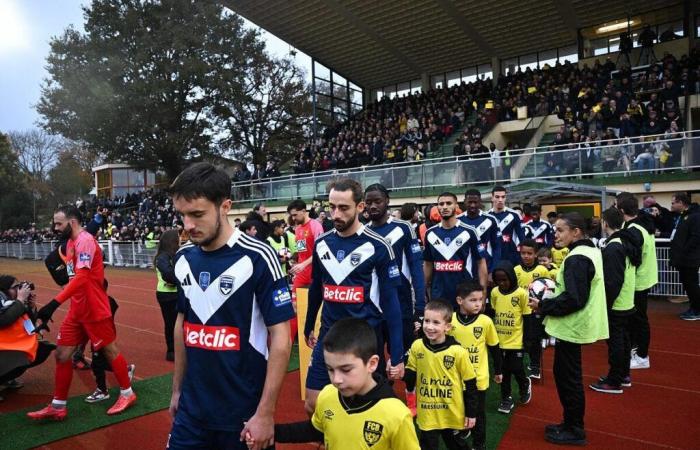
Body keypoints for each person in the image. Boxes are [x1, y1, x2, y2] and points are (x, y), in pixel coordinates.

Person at [168, 162, 294, 450]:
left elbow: (282, 339)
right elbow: (182, 325)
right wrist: (177, 390)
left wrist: (265, 412)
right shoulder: (184, 257)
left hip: (242, 417)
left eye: (197, 214)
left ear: (225, 206)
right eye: (183, 215)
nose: (188, 225)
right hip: (192, 413)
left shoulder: (259, 256)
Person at [304, 178, 404, 417]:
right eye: (332, 207)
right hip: (329, 335)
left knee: (365, 410)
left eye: (343, 208)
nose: (335, 214)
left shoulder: (379, 246)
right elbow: (317, 288)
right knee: (313, 404)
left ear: (360, 207)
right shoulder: (321, 243)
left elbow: (391, 303)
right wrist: (309, 326)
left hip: (364, 339)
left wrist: (397, 354)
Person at [29, 205, 136, 420]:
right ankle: (58, 406)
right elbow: (72, 279)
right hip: (77, 310)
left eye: (59, 223)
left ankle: (127, 393)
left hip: (95, 309)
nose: (55, 227)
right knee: (62, 354)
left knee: (109, 351)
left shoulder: (85, 241)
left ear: (72, 222)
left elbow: (82, 279)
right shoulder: (69, 243)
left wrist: (53, 304)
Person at [268, 318, 419, 449]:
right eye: (330, 369)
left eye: (346, 370)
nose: (336, 380)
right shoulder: (327, 394)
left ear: (372, 364)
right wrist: (273, 432)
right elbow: (317, 429)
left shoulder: (397, 414)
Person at [528, 212, 608, 446]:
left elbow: (574, 298)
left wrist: (543, 304)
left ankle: (575, 429)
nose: (556, 234)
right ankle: (570, 423)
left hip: (573, 326)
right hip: (577, 324)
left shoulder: (577, 258)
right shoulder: (590, 251)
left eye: (561, 230)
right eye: (555, 230)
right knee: (567, 376)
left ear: (576, 232)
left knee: (568, 379)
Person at [364, 183, 425, 413]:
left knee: (406, 355)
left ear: (387, 201)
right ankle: (383, 399)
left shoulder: (404, 228)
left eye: (377, 201)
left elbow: (416, 268)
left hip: (400, 303)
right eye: (368, 202)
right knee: (376, 357)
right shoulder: (362, 231)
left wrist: (420, 305)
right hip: (372, 307)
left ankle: (411, 395)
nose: (373, 206)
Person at [405, 299, 478, 450]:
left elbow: (471, 384)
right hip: (427, 414)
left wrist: (471, 413)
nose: (429, 327)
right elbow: (411, 372)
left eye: (436, 323)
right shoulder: (417, 346)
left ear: (448, 327)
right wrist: (404, 378)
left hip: (451, 414)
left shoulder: (458, 352)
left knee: (457, 446)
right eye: (427, 321)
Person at [589, 207, 639, 394]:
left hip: (617, 303)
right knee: (623, 341)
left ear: (605, 223)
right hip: (627, 301)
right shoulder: (625, 241)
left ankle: (614, 380)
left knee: (616, 343)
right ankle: (622, 375)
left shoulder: (614, 246)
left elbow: (613, 281)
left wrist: (605, 304)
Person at [450, 282, 503, 450]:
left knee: (478, 415)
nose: (478, 304)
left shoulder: (485, 321)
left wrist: (499, 370)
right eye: (473, 300)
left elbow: (494, 347)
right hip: (455, 379)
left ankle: (479, 445)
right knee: (458, 411)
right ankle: (463, 431)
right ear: (459, 300)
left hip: (478, 379)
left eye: (481, 299)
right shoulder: (450, 320)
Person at [424, 192, 488, 309]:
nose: (444, 207)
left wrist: (483, 294)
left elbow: (481, 262)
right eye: (441, 204)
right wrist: (423, 292)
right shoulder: (430, 233)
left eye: (449, 203)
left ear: (456, 206)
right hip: (438, 293)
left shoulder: (469, 231)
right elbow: (428, 264)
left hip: (464, 293)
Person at [617, 193, 657, 369]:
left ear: (622, 210)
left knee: (639, 319)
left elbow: (634, 258)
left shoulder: (635, 230)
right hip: (643, 277)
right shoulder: (638, 224)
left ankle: (642, 356)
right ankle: (636, 350)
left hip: (638, 279)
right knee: (636, 318)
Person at [491, 261, 532, 414]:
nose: (502, 283)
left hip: (516, 340)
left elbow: (527, 318)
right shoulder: (495, 292)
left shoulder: (521, 294)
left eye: (505, 280)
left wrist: (527, 340)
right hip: (500, 341)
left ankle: (524, 384)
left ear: (512, 278)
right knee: (503, 371)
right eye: (498, 280)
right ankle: (506, 398)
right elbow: (494, 311)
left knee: (515, 367)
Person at [0, 277, 55, 393]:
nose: (20, 290)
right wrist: (20, 300)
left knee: (41, 349)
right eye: (16, 287)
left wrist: (31, 307)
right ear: (4, 290)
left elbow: (29, 325)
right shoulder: (4, 301)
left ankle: (6, 379)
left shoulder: (15, 303)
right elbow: (3, 320)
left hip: (7, 347)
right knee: (21, 357)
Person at [515, 239, 550, 379]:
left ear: (536, 254)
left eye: (529, 253)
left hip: (534, 310)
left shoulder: (541, 270)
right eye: (523, 253)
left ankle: (535, 366)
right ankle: (520, 362)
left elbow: (548, 289)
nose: (526, 256)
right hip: (519, 311)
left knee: (534, 339)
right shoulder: (516, 270)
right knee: (521, 338)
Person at [669, 192, 700, 320]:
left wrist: (683, 252)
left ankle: (697, 310)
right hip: (684, 258)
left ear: (681, 203)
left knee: (691, 284)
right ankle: (694, 308)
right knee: (688, 284)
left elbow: (695, 237)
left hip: (690, 259)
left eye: (673, 202)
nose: (672, 205)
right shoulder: (684, 216)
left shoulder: (694, 216)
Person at [458, 189, 501, 273]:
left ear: (480, 202)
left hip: (486, 267)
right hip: (464, 270)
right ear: (464, 202)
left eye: (475, 202)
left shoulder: (490, 220)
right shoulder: (458, 220)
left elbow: (497, 247)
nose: (473, 205)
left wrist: (493, 271)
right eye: (470, 202)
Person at [154, 229, 180, 361]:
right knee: (171, 323)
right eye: (178, 237)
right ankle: (171, 350)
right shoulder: (163, 257)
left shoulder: (176, 254)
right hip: (167, 295)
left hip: (176, 293)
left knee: (179, 323)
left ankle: (178, 349)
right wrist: (182, 280)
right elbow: (169, 275)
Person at [489, 186, 525, 266]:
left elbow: (522, 239)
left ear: (506, 198)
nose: (500, 200)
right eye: (497, 197)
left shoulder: (515, 215)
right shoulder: (486, 216)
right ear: (492, 198)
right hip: (491, 257)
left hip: (511, 257)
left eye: (503, 197)